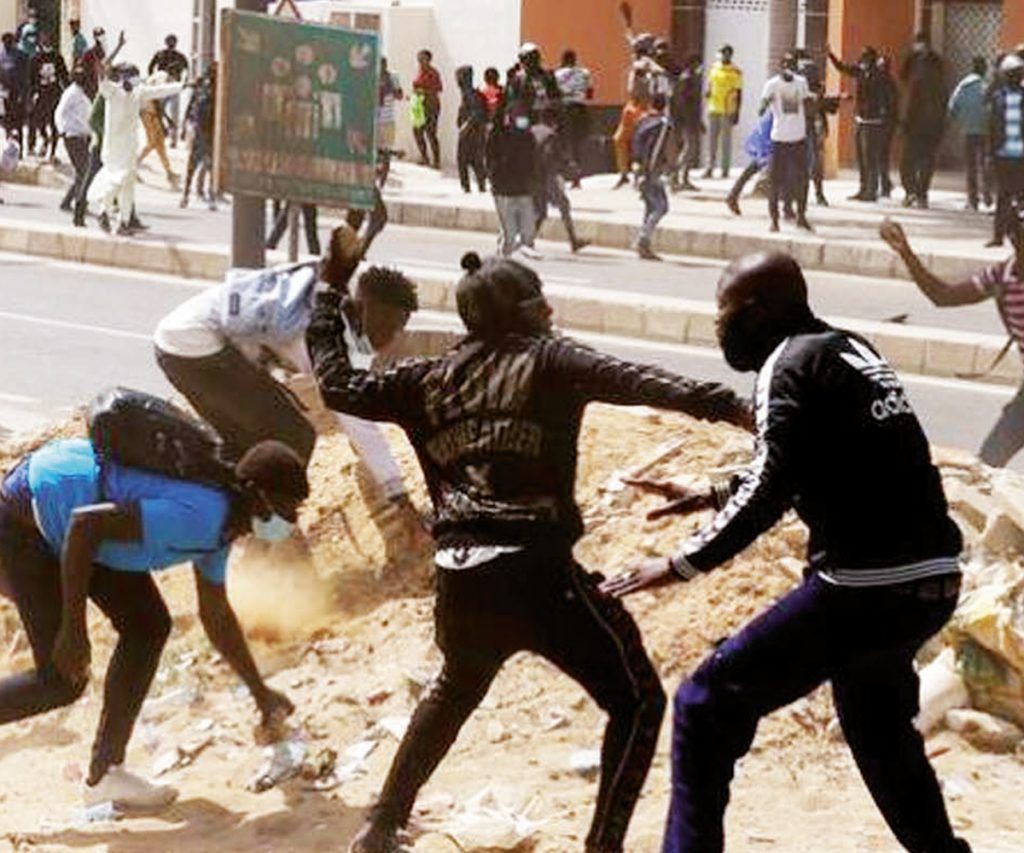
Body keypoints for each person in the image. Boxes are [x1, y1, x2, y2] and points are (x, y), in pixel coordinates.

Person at [306, 248, 753, 853]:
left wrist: (330, 296)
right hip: (537, 573)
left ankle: (382, 825)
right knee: (638, 699)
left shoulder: (426, 378)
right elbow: (641, 382)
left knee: (456, 685)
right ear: (524, 311)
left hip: (460, 575)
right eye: (540, 302)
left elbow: (339, 383)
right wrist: (736, 407)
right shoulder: (550, 359)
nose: (550, 312)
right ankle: (603, 844)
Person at [603, 251, 971, 853]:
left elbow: (772, 484)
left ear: (758, 311)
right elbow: (826, 459)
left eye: (726, 315)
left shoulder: (786, 363)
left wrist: (678, 565)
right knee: (877, 726)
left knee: (704, 704)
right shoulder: (849, 348)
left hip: (864, 586)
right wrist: (711, 492)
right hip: (930, 581)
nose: (721, 329)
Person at [0, 435, 306, 809]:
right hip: (31, 517)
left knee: (148, 625)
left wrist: (261, 694)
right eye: (287, 511)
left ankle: (105, 776)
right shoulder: (203, 516)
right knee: (61, 680)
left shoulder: (222, 527)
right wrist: (74, 629)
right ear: (257, 495)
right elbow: (85, 527)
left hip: (77, 507)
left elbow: (216, 615)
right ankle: (103, 770)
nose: (290, 522)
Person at [153, 224, 424, 553]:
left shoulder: (335, 301)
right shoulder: (320, 333)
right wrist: (399, 497)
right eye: (390, 326)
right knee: (293, 435)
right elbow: (355, 417)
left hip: (178, 344)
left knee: (247, 443)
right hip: (197, 348)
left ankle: (227, 529)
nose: (392, 337)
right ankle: (267, 539)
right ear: (366, 310)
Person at [882, 211, 1024, 466]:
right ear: (1015, 241)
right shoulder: (1002, 277)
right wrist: (906, 253)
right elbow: (943, 296)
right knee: (988, 465)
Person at [90, 62, 182, 235]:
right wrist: (111, 51)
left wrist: (182, 86)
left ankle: (124, 222)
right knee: (117, 180)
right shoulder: (112, 91)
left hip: (130, 147)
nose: (135, 80)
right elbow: (101, 75)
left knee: (128, 186)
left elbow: (161, 90)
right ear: (123, 77)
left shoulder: (139, 93)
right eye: (132, 75)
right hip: (114, 148)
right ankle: (103, 211)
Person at [760, 51, 813, 233]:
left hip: (798, 138)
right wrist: (765, 104)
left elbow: (807, 105)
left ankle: (801, 216)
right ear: (781, 67)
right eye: (787, 65)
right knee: (775, 181)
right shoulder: (772, 85)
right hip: (780, 138)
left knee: (802, 179)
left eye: (793, 65)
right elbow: (761, 108)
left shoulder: (801, 83)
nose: (790, 68)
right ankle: (774, 220)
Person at [828, 45, 888, 201]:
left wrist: (883, 116)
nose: (862, 61)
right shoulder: (861, 72)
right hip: (860, 120)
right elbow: (843, 68)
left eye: (866, 58)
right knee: (861, 158)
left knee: (870, 158)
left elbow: (886, 99)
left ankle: (872, 191)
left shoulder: (879, 76)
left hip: (873, 122)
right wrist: (831, 55)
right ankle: (863, 189)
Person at [487, 99, 541, 259]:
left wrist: (535, 183)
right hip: (504, 192)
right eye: (518, 116)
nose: (522, 119)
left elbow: (534, 162)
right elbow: (490, 161)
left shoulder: (528, 137)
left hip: (524, 190)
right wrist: (495, 179)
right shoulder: (498, 135)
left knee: (528, 235)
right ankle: (501, 265)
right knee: (509, 236)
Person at [532, 105, 588, 253]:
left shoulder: (531, 131)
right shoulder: (550, 135)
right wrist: (565, 168)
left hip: (529, 178)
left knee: (540, 212)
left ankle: (527, 240)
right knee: (564, 205)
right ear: (553, 121)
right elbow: (549, 156)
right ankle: (573, 240)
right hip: (545, 177)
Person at [900, 33, 946, 209]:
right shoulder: (940, 81)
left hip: (916, 126)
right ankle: (921, 195)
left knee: (908, 162)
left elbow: (911, 101)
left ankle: (911, 191)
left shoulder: (917, 78)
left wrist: (905, 122)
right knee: (927, 161)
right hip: (934, 127)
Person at [987, 54, 1024, 248]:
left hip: (1021, 156)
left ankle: (1019, 238)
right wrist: (990, 153)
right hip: (1003, 155)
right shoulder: (998, 97)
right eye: (1010, 74)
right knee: (1003, 196)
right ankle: (998, 236)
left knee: (1021, 197)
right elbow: (992, 127)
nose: (1014, 77)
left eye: (1016, 74)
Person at [948, 57, 993, 211]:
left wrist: (951, 123)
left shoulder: (963, 86)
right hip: (985, 130)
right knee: (985, 163)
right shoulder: (987, 87)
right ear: (984, 69)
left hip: (967, 130)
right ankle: (987, 195)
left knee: (971, 166)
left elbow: (953, 107)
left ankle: (972, 199)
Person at [632, 93, 672, 261]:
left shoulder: (642, 120)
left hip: (639, 167)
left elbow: (635, 143)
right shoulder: (663, 125)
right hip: (652, 170)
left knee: (649, 207)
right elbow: (656, 149)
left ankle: (645, 245)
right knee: (661, 207)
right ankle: (643, 238)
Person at [55, 65, 92, 213]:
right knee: (85, 171)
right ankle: (79, 203)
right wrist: (62, 130)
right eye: (80, 76)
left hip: (82, 136)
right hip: (72, 136)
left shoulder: (81, 93)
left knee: (81, 171)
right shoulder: (71, 93)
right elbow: (59, 112)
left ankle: (67, 202)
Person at [180, 63, 217, 210]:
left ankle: (209, 195)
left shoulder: (218, 89)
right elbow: (190, 107)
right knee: (193, 165)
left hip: (211, 131)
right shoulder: (201, 87)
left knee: (210, 167)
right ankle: (186, 195)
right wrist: (184, 127)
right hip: (201, 131)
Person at [703, 44, 742, 179]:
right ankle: (710, 167)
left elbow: (739, 92)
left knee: (726, 141)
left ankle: (725, 169)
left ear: (730, 55)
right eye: (722, 53)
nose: (724, 56)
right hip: (713, 107)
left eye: (726, 53)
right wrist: (707, 93)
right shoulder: (714, 68)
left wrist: (737, 112)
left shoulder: (735, 71)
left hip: (727, 109)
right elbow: (710, 84)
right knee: (712, 140)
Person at [27, 30, 67, 161]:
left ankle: (53, 153)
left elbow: (64, 75)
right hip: (40, 94)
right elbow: (31, 78)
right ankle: (43, 139)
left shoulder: (57, 57)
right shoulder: (35, 58)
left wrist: (67, 92)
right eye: (43, 38)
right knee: (37, 121)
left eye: (47, 38)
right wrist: (31, 95)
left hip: (54, 94)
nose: (45, 40)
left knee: (54, 123)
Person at [725, 109, 774, 217]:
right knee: (764, 163)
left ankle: (733, 195)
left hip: (772, 129)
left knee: (756, 164)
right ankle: (781, 210)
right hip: (775, 131)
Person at [555, 49, 592, 186]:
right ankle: (577, 179)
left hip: (565, 110)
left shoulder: (558, 74)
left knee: (563, 143)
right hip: (581, 109)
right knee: (578, 143)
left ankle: (563, 174)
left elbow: (555, 93)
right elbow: (590, 93)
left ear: (563, 60)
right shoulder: (585, 73)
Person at [137, 75, 179, 189]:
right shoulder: (149, 89)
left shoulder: (155, 85)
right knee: (153, 143)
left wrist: (167, 121)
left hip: (153, 117)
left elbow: (159, 109)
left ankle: (169, 172)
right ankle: (169, 173)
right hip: (149, 117)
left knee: (159, 145)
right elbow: (148, 108)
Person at [148, 35, 188, 148]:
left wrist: (183, 82)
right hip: (163, 85)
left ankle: (172, 139)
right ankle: (163, 136)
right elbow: (151, 67)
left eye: (173, 42)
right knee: (160, 112)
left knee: (170, 113)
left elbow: (187, 69)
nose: (171, 44)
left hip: (172, 86)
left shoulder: (179, 56)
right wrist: (153, 81)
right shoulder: (162, 54)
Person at [670, 53, 703, 192]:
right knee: (689, 149)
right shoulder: (687, 79)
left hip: (690, 119)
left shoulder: (689, 78)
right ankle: (677, 177)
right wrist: (689, 120)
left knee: (689, 149)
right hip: (687, 120)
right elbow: (682, 102)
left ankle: (682, 178)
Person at [455, 65, 487, 193]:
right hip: (474, 132)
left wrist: (465, 126)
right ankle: (479, 185)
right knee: (474, 160)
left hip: (470, 133)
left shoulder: (470, 94)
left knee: (463, 159)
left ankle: (467, 186)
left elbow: (476, 112)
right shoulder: (469, 93)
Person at [412, 49, 442, 169]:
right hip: (420, 106)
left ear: (429, 60)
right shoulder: (419, 71)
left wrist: (423, 91)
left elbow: (439, 88)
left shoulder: (433, 73)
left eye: (422, 58)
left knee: (431, 133)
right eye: (418, 58)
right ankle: (424, 157)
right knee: (417, 131)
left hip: (431, 106)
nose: (419, 61)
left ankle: (436, 160)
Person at [0, 32, 29, 153]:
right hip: (6, 94)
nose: (6, 44)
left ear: (13, 42)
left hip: (18, 94)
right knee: (7, 123)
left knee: (18, 123)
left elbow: (26, 76)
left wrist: (24, 94)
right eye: (4, 42)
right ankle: (9, 149)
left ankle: (20, 149)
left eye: (8, 41)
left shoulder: (21, 56)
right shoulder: (1, 56)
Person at [376, 57, 402, 185]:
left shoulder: (393, 77)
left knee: (386, 153)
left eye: (383, 65)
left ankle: (382, 183)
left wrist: (390, 87)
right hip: (373, 119)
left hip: (388, 120)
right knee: (374, 153)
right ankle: (375, 179)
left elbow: (400, 96)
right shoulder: (372, 75)